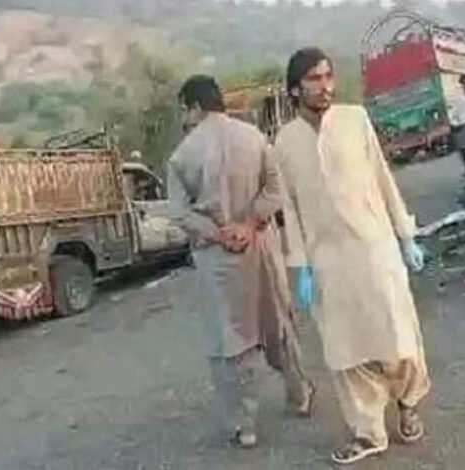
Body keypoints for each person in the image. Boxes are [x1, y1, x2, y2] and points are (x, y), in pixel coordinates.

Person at [274, 48, 430, 465]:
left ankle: (408, 401)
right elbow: (289, 209)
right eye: (314, 79)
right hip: (326, 261)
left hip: (374, 248)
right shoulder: (285, 142)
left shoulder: (354, 119)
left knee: (396, 336)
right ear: (295, 89)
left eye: (328, 76)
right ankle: (368, 431)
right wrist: (300, 266)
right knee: (345, 350)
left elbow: (382, 177)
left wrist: (405, 235)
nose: (325, 86)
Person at [167, 75, 314, 448]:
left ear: (195, 107)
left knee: (231, 339)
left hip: (217, 260)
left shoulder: (182, 156)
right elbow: (275, 191)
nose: (184, 117)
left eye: (185, 109)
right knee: (278, 322)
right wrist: (249, 224)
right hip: (260, 246)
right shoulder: (254, 137)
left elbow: (179, 213)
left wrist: (219, 233)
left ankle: (243, 425)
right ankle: (299, 394)